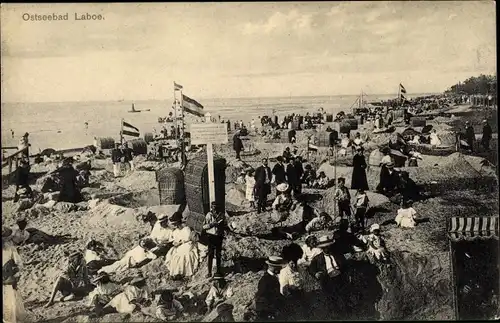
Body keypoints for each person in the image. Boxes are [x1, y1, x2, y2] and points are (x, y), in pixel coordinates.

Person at [308, 235, 348, 315]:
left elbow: (345, 265)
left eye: (328, 247)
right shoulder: (317, 258)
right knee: (331, 299)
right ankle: (334, 314)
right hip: (327, 280)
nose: (326, 249)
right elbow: (311, 268)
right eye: (324, 247)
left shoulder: (337, 254)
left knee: (343, 298)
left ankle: (346, 313)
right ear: (322, 248)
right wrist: (315, 273)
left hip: (340, 277)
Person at [165, 212, 200, 279]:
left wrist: (181, 242)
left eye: (175, 223)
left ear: (178, 222)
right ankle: (176, 272)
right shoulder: (175, 231)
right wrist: (176, 243)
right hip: (179, 245)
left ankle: (184, 272)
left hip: (187, 243)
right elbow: (175, 239)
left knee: (185, 254)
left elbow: (187, 239)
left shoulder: (186, 229)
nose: (174, 225)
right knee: (175, 255)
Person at [3, 227, 27, 323]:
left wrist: (15, 273)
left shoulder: (11, 249)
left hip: (8, 281)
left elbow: (19, 264)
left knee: (10, 306)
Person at [255, 256, 286, 321]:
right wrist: (271, 311)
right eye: (279, 267)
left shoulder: (274, 278)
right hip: (267, 314)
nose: (281, 268)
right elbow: (261, 298)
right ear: (273, 267)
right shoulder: (265, 280)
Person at [203, 202, 226, 278]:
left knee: (218, 254)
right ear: (211, 207)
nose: (215, 209)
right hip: (211, 236)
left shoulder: (221, 215)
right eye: (213, 207)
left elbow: (225, 224)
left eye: (216, 207)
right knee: (210, 254)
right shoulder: (209, 215)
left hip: (219, 236)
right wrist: (212, 224)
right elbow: (204, 227)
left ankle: (218, 271)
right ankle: (209, 272)